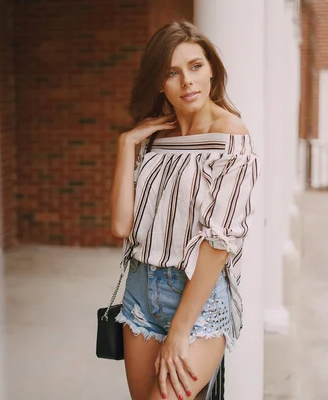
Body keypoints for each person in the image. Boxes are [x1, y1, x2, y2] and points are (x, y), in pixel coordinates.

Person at [110, 20, 259, 400]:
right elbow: (120, 224)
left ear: (212, 69)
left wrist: (181, 328)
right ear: (159, 83)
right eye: (172, 73)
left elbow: (219, 241)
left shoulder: (231, 135)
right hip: (140, 291)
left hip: (198, 300)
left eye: (195, 66)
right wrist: (127, 145)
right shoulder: (156, 138)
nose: (187, 82)